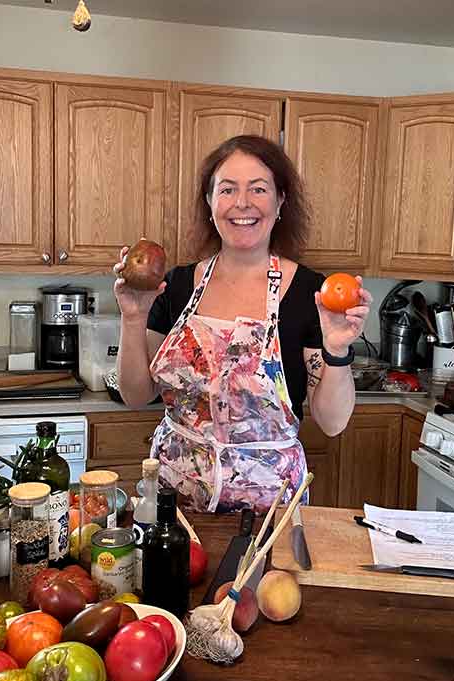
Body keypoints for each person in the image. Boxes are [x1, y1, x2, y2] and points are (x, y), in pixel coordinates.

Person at [114, 134, 372, 513]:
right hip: (175, 510)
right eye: (228, 189)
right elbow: (136, 395)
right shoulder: (177, 285)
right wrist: (133, 317)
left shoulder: (310, 293)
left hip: (269, 517)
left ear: (281, 200)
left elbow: (332, 423)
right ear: (210, 201)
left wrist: (336, 350)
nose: (242, 204)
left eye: (259, 189)